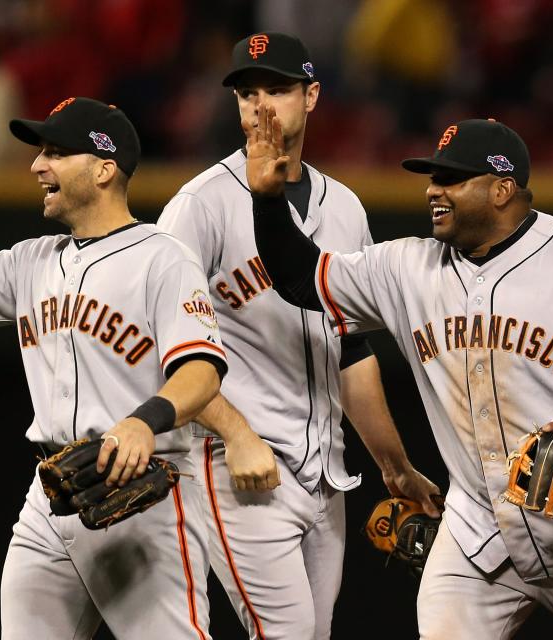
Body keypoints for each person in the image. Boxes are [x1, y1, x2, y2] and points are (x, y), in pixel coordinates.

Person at [245, 108, 553, 639]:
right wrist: (268, 200)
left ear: (503, 189)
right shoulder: (406, 267)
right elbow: (304, 280)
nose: (433, 190)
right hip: (477, 529)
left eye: (452, 178)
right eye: (432, 177)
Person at [0, 97, 269, 639]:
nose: (36, 165)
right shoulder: (32, 260)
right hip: (49, 497)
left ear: (103, 168)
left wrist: (143, 421)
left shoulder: (162, 257)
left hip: (143, 496)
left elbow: (201, 371)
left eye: (55, 152)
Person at [156, 32, 442, 640]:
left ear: (311, 96)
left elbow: (353, 348)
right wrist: (234, 435)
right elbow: (165, 348)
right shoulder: (198, 206)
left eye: (278, 90)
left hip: (325, 473)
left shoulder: (344, 208)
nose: (260, 106)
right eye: (247, 92)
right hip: (240, 467)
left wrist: (393, 464)